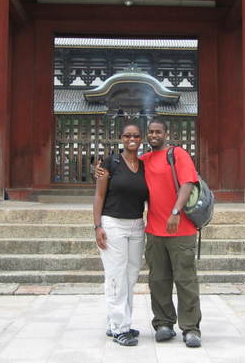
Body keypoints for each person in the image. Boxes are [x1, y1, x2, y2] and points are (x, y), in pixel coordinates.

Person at [97, 118, 202, 348]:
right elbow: (124, 169)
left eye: (158, 132)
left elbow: (188, 184)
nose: (154, 135)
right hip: (154, 230)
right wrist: (101, 169)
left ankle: (191, 328)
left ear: (166, 134)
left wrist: (176, 211)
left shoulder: (178, 154)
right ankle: (164, 323)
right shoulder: (143, 160)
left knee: (185, 280)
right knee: (158, 280)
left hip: (181, 229)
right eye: (151, 132)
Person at [93, 123, 148, 346]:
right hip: (112, 223)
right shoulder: (110, 163)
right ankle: (119, 327)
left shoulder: (144, 165)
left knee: (131, 274)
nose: (131, 139)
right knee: (115, 275)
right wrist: (97, 226)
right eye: (127, 135)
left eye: (135, 135)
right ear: (121, 139)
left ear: (141, 139)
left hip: (136, 224)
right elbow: (98, 196)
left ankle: (119, 320)